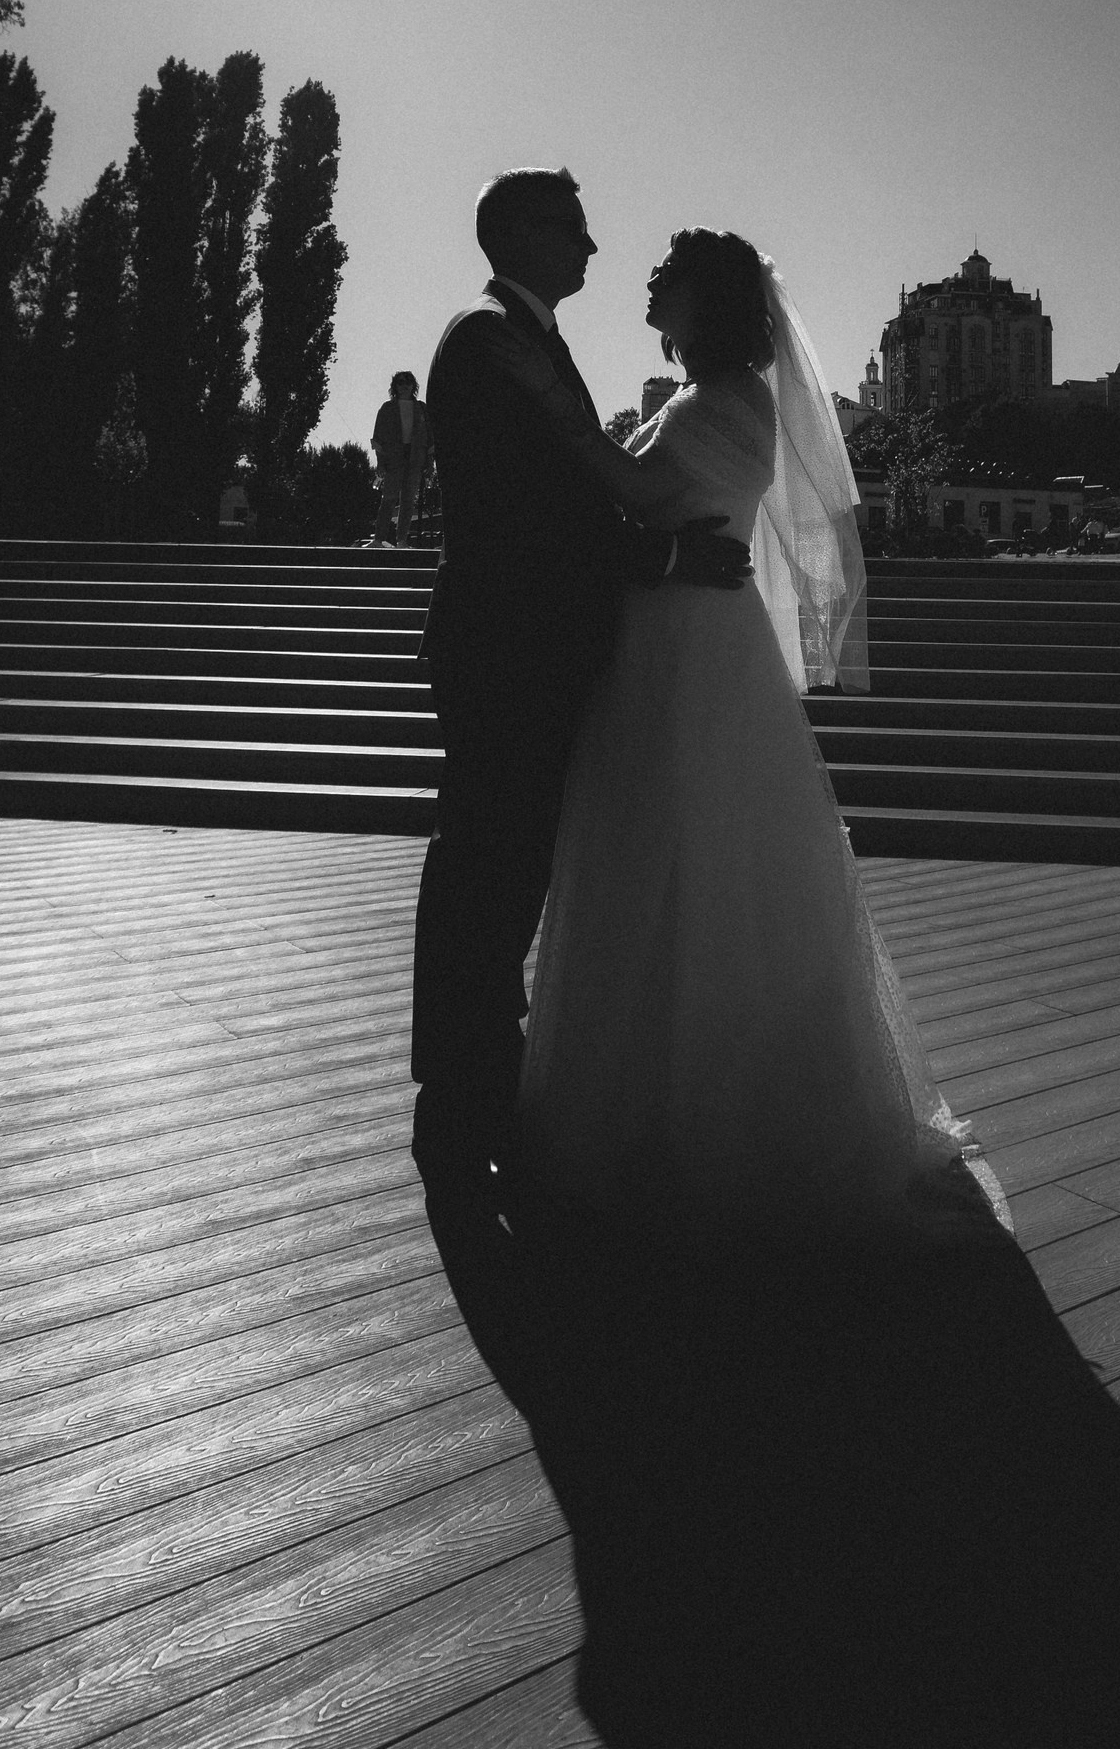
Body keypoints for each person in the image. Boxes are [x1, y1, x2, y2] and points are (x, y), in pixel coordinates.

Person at [474, 226, 1120, 1748]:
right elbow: (637, 505)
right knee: (659, 881)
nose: (646, 287)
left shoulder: (725, 404)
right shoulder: (692, 396)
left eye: (665, 276)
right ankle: (650, 1092)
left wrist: (564, 430)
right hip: (665, 655)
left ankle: (700, 1113)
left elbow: (639, 495)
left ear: (710, 300)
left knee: (709, 884)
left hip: (694, 667)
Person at [409, 170, 751, 1398]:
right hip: (506, 648)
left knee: (503, 871)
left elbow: (569, 492)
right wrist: (662, 558)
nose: (595, 245)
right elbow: (536, 512)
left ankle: (474, 1091)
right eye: (573, 226)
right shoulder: (486, 343)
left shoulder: (527, 342)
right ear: (517, 234)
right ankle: (457, 1107)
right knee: (483, 867)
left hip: (534, 651)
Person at [368, 370, 430, 546]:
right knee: (388, 499)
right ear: (395, 386)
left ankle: (402, 540)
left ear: (413, 385)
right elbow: (378, 437)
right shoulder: (387, 408)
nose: (404, 385)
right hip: (393, 459)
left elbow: (429, 437)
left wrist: (429, 462)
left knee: (408, 501)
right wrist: (380, 462)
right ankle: (378, 539)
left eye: (408, 382)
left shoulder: (422, 408)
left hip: (415, 458)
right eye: (400, 382)